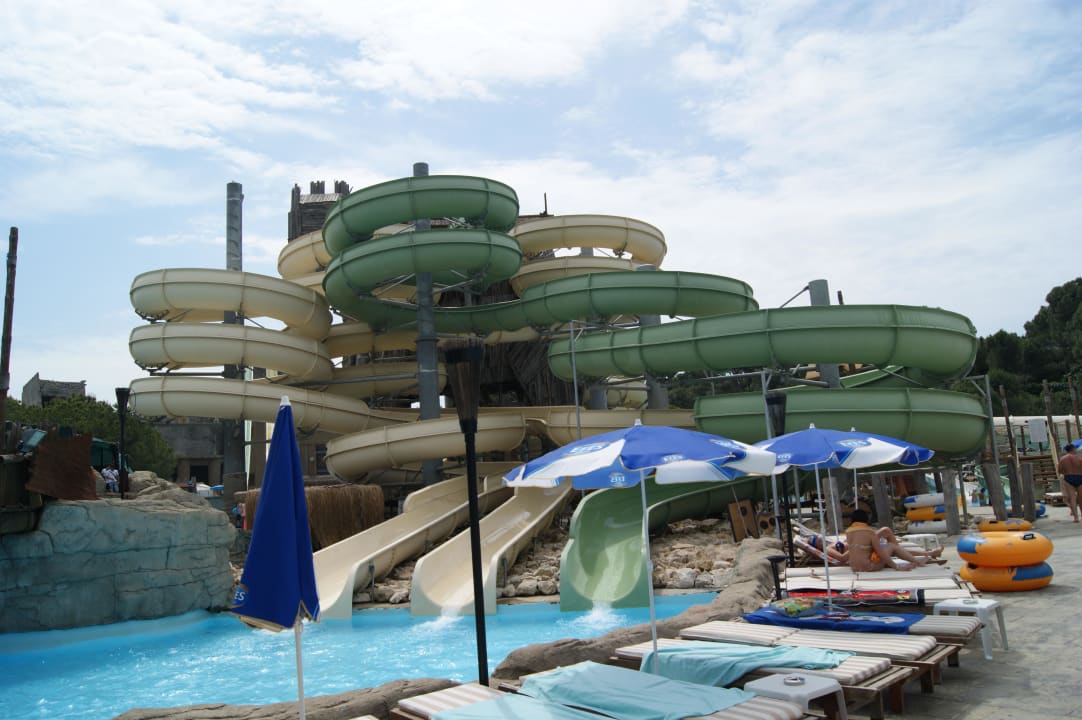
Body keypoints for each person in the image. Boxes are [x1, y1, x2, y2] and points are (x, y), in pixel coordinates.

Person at [845, 508, 943, 572]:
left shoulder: (848, 532)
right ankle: (918, 561)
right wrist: (897, 567)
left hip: (854, 568)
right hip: (868, 567)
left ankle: (922, 557)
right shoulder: (869, 532)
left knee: (890, 547)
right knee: (892, 546)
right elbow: (881, 553)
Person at [1057, 443, 1082, 523]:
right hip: (1079, 477)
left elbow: (1060, 471)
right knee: (1081, 498)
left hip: (1068, 477)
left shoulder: (1063, 459)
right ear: (1073, 449)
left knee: (1072, 498)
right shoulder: (1079, 458)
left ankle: (1076, 518)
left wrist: (1067, 472)